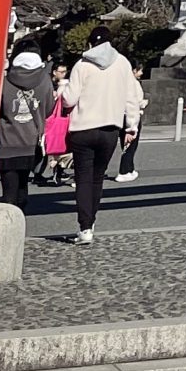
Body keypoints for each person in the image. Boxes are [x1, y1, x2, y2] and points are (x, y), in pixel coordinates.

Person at [59, 30, 144, 245]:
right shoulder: (123, 63)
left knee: (83, 178)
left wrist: (62, 93)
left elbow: (69, 99)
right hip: (110, 129)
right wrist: (131, 127)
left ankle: (84, 226)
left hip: (83, 129)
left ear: (90, 43)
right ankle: (91, 221)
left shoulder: (82, 64)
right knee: (98, 178)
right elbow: (131, 98)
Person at [0, 48, 54, 207]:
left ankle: (10, 223)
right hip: (31, 140)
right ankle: (21, 217)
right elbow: (49, 108)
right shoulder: (45, 80)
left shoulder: (4, 80)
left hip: (7, 141)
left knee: (8, 190)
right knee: (22, 185)